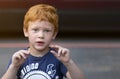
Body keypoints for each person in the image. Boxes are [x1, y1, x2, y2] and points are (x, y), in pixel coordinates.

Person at [1, 4, 84, 79]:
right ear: (26, 31)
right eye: (35, 30)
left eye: (47, 31)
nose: (41, 35)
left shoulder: (58, 57)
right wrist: (14, 67)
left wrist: (69, 63)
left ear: (54, 34)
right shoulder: (20, 58)